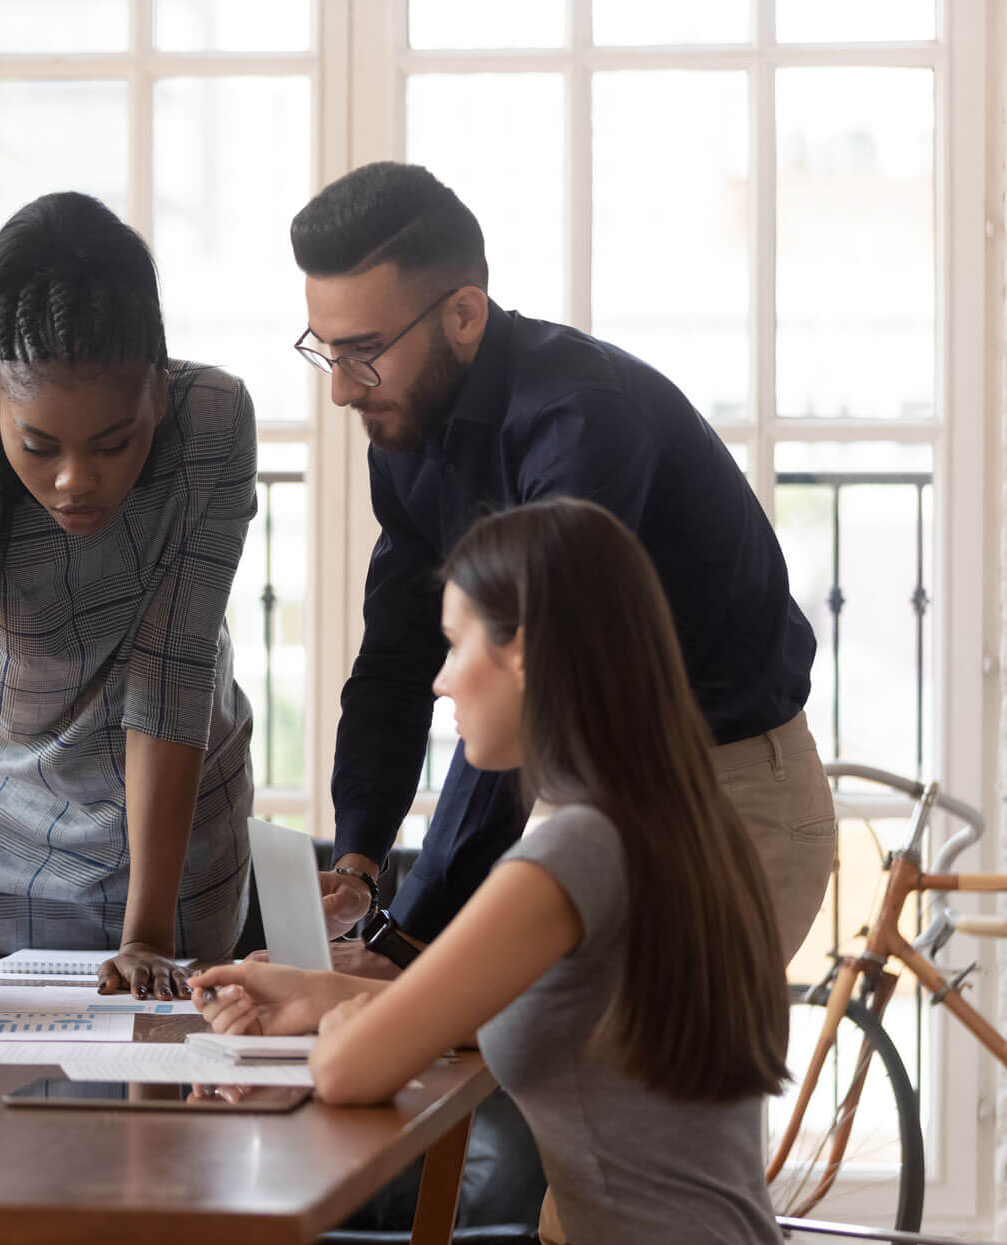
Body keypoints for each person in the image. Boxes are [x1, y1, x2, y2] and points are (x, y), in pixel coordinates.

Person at [192, 498, 796, 1245]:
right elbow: (520, 1019)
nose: (440, 683)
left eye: (453, 644)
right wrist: (316, 991)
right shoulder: (674, 822)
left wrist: (338, 1023)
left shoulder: (574, 849)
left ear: (525, 652)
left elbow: (346, 1072)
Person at [294, 162, 833, 977]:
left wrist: (406, 943)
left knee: (616, 1100)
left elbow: (533, 682)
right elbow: (398, 660)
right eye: (325, 352)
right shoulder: (407, 435)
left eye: (363, 353)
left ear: (465, 314)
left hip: (725, 799)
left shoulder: (582, 422)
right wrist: (359, 866)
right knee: (492, 1084)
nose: (340, 391)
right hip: (574, 794)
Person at [0, 191, 258, 1010]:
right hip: (11, 865)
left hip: (184, 855)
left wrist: (147, 937)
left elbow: (171, 669)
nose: (75, 481)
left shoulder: (211, 427)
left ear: (157, 396)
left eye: (111, 443)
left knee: (174, 1103)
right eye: (38, 445)